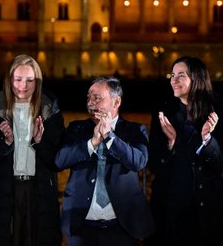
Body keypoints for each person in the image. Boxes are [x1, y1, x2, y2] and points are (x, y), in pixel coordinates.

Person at [55, 76, 154, 246]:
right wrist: (92, 143)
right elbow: (59, 161)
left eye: (97, 98)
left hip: (122, 228)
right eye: (88, 97)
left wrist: (110, 137)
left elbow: (138, 162)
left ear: (116, 102)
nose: (90, 103)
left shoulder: (135, 130)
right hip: (80, 228)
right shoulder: (76, 128)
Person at [0, 55, 63, 246]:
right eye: (18, 79)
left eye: (30, 80)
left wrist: (40, 141)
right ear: (9, 80)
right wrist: (6, 143)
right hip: (4, 192)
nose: (23, 86)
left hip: (39, 193)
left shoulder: (50, 109)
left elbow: (57, 160)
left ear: (37, 81)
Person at [147, 56, 223, 246]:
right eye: (172, 75)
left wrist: (208, 140)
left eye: (180, 75)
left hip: (207, 210)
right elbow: (153, 164)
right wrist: (171, 143)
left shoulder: (217, 111)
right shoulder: (162, 113)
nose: (173, 80)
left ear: (197, 79)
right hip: (170, 207)